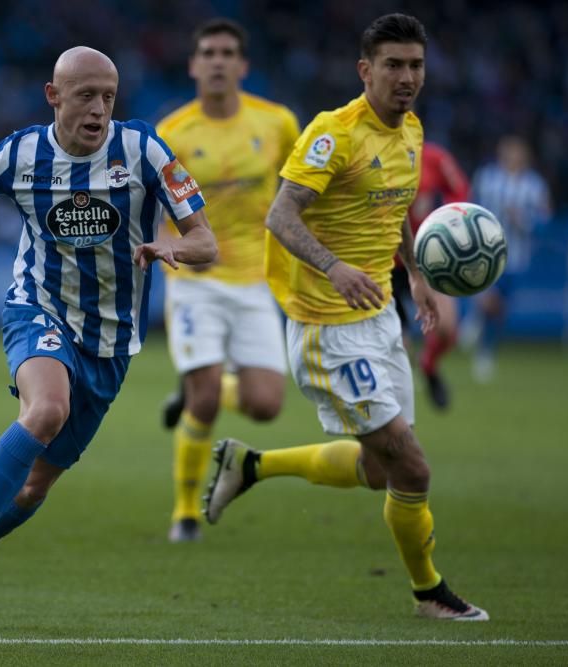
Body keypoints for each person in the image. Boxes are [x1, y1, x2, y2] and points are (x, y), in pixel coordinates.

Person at [0, 46, 217, 619]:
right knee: (46, 411)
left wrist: (174, 245)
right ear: (54, 96)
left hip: (113, 341)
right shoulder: (19, 154)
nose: (99, 110)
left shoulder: (143, 149)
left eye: (109, 97)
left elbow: (206, 240)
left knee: (32, 489)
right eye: (86, 96)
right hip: (37, 307)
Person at [204, 14, 488, 621]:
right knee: (411, 464)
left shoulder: (411, 131)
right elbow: (280, 216)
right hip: (327, 328)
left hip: (380, 318)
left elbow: (395, 212)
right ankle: (429, 592)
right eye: (393, 65)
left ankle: (251, 464)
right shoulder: (334, 133)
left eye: (415, 65)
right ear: (366, 70)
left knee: (381, 471)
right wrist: (334, 267)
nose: (406, 77)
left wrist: (413, 271)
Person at [154, 18, 299, 542]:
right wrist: (162, 246)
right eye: (208, 52)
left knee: (265, 406)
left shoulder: (278, 123)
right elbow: (151, 204)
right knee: (208, 398)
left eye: (227, 53)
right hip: (196, 280)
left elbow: (302, 191)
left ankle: (195, 388)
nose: (217, 61)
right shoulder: (173, 133)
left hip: (257, 279)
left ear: (243, 65)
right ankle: (186, 512)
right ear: (193, 65)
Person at [392, 141, 470, 409]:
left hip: (426, 256)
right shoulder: (370, 153)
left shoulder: (435, 157)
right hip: (385, 263)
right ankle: (396, 424)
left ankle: (429, 365)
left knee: (447, 328)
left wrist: (442, 219)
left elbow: (459, 190)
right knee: (397, 347)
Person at [468, 135, 552, 382]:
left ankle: (485, 349)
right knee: (490, 299)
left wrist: (524, 221)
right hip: (487, 251)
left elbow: (544, 221)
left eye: (517, 153)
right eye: (508, 152)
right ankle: (477, 324)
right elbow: (471, 207)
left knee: (501, 309)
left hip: (517, 256)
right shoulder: (487, 178)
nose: (513, 157)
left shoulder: (535, 186)